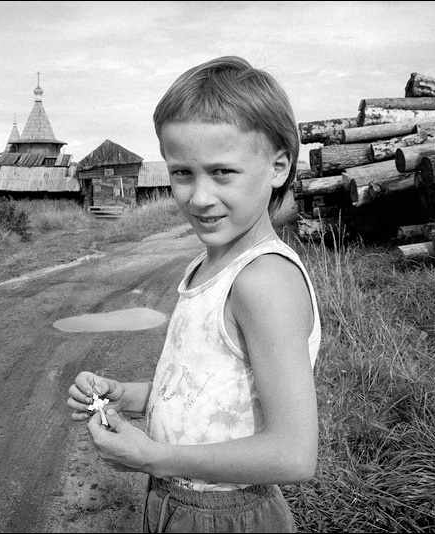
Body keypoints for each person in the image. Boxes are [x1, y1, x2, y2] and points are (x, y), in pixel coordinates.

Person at [67, 56, 321, 533]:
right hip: (176, 505)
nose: (199, 196)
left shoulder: (263, 280)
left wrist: (155, 457)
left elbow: (293, 454)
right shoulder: (207, 265)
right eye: (182, 173)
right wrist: (128, 396)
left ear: (279, 167)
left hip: (228, 516)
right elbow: (210, 393)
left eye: (222, 172)